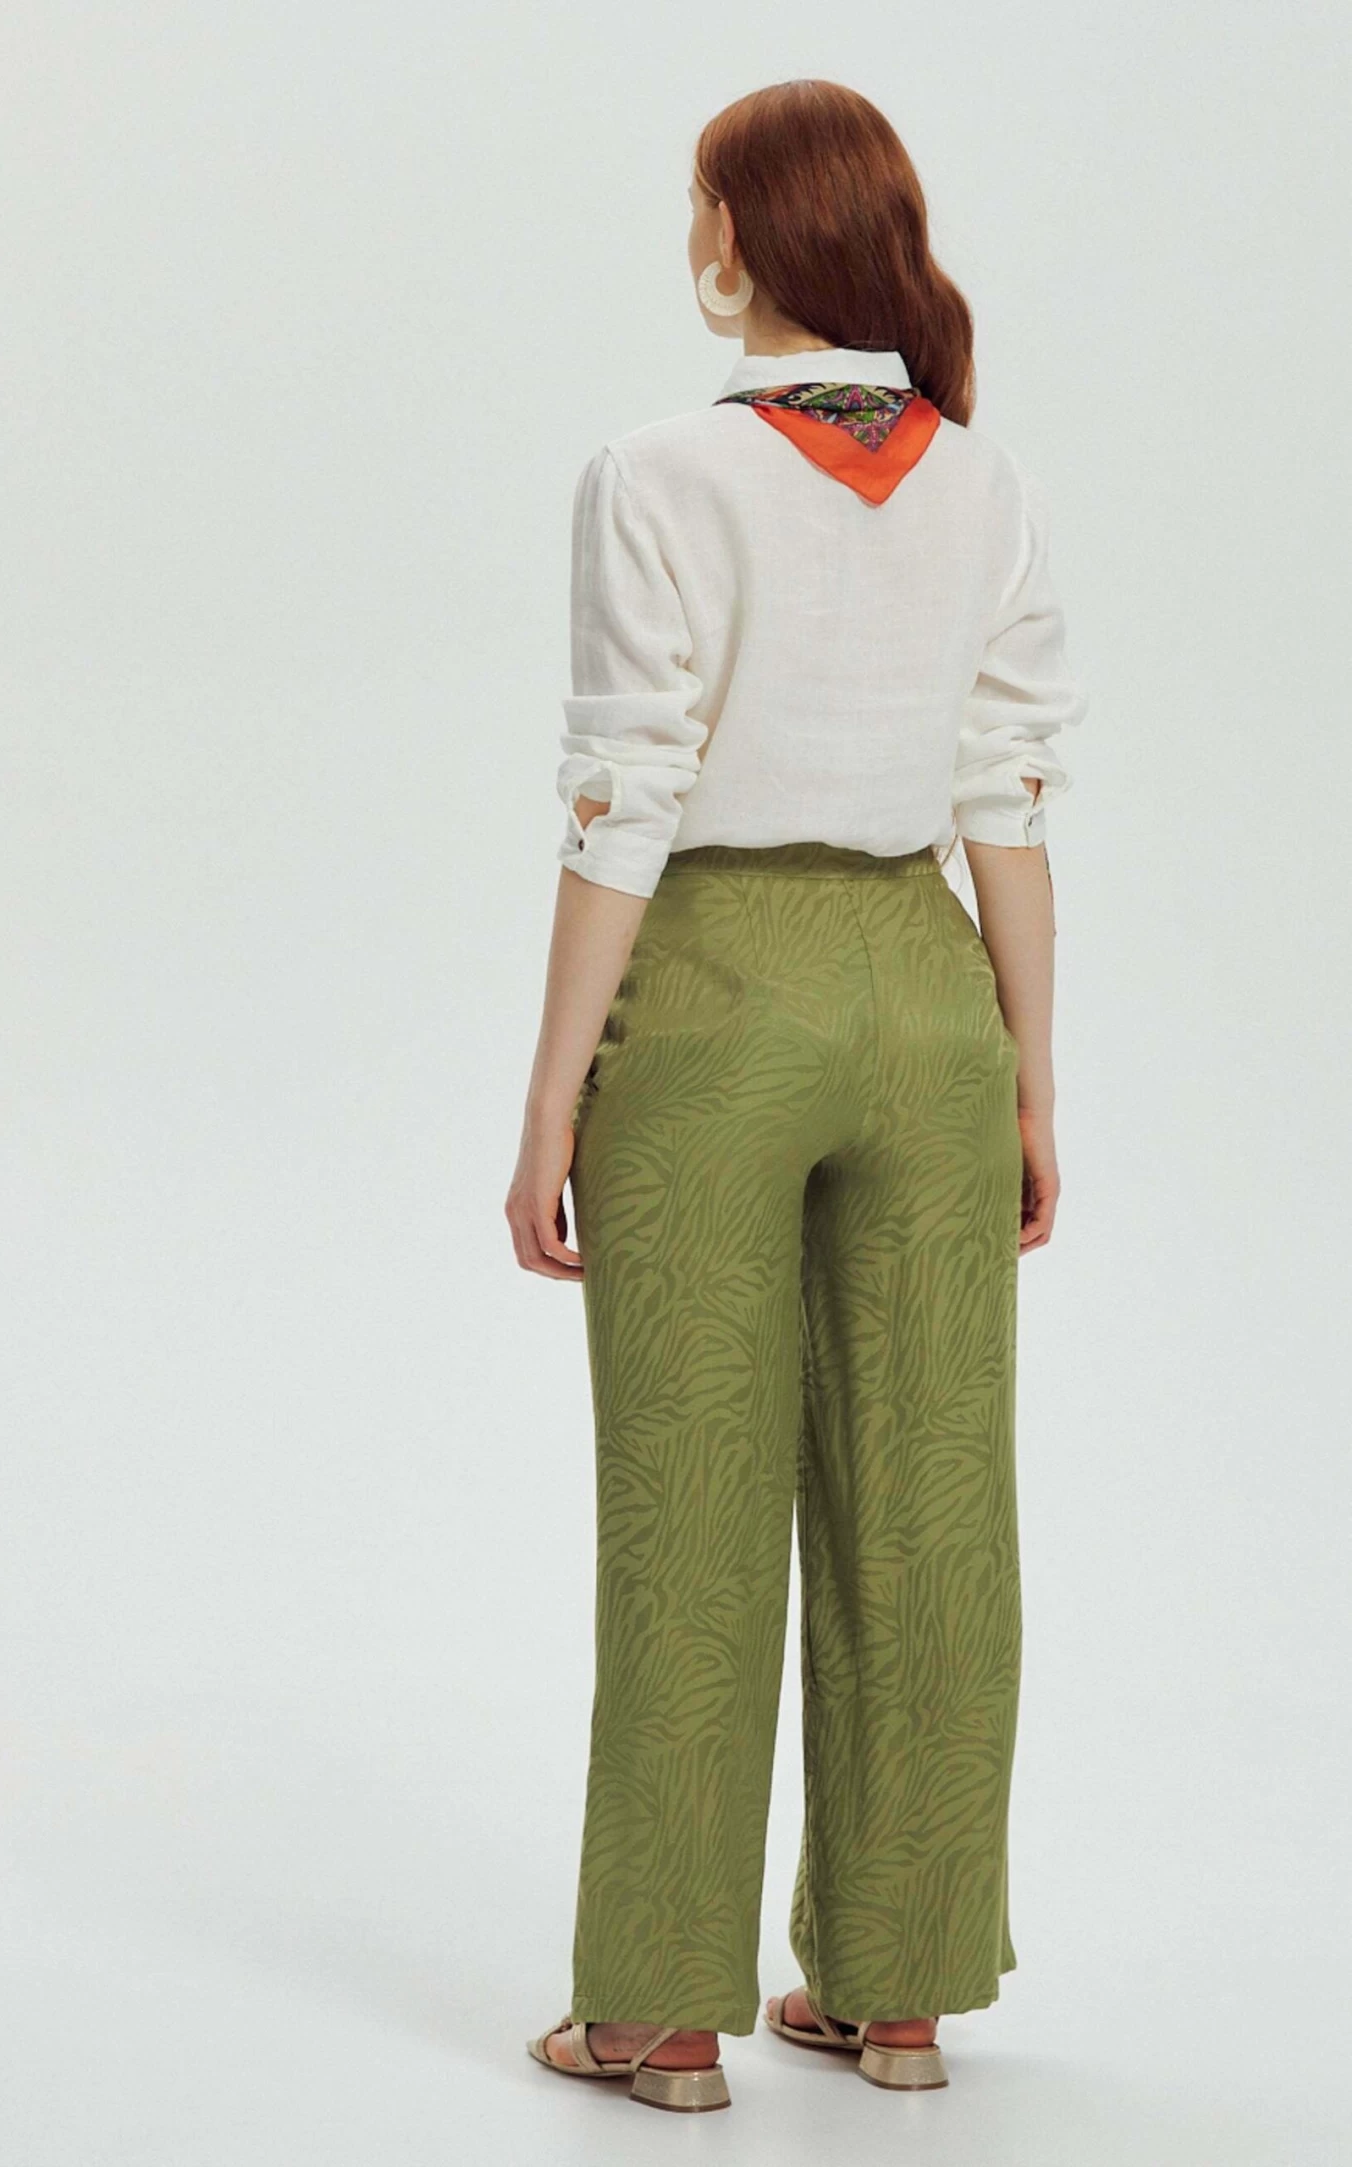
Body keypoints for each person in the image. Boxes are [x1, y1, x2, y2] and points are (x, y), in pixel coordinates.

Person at [507, 77, 1088, 2117]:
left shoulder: (655, 474)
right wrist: (1031, 1077)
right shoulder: (984, 484)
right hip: (932, 997)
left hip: (721, 995)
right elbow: (1012, 797)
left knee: (690, 1498)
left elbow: (626, 795)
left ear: (740, 237)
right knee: (936, 1498)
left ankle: (662, 2013)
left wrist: (552, 1097)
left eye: (701, 202)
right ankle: (896, 1990)